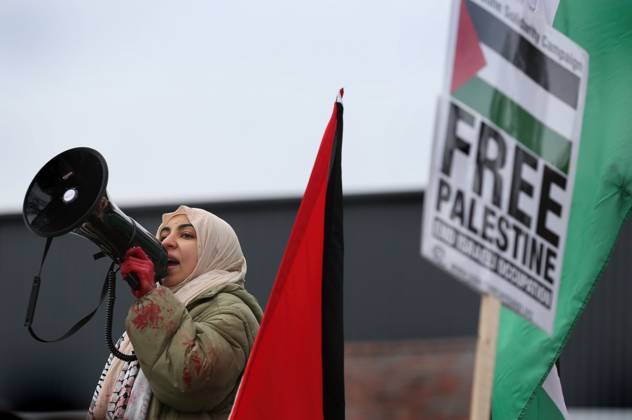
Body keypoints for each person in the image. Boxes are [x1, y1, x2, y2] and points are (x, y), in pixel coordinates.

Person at [88, 205, 263, 420]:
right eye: (163, 234)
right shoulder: (172, 305)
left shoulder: (234, 311)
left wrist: (151, 296)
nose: (166, 242)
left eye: (187, 235)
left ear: (216, 250)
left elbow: (187, 382)